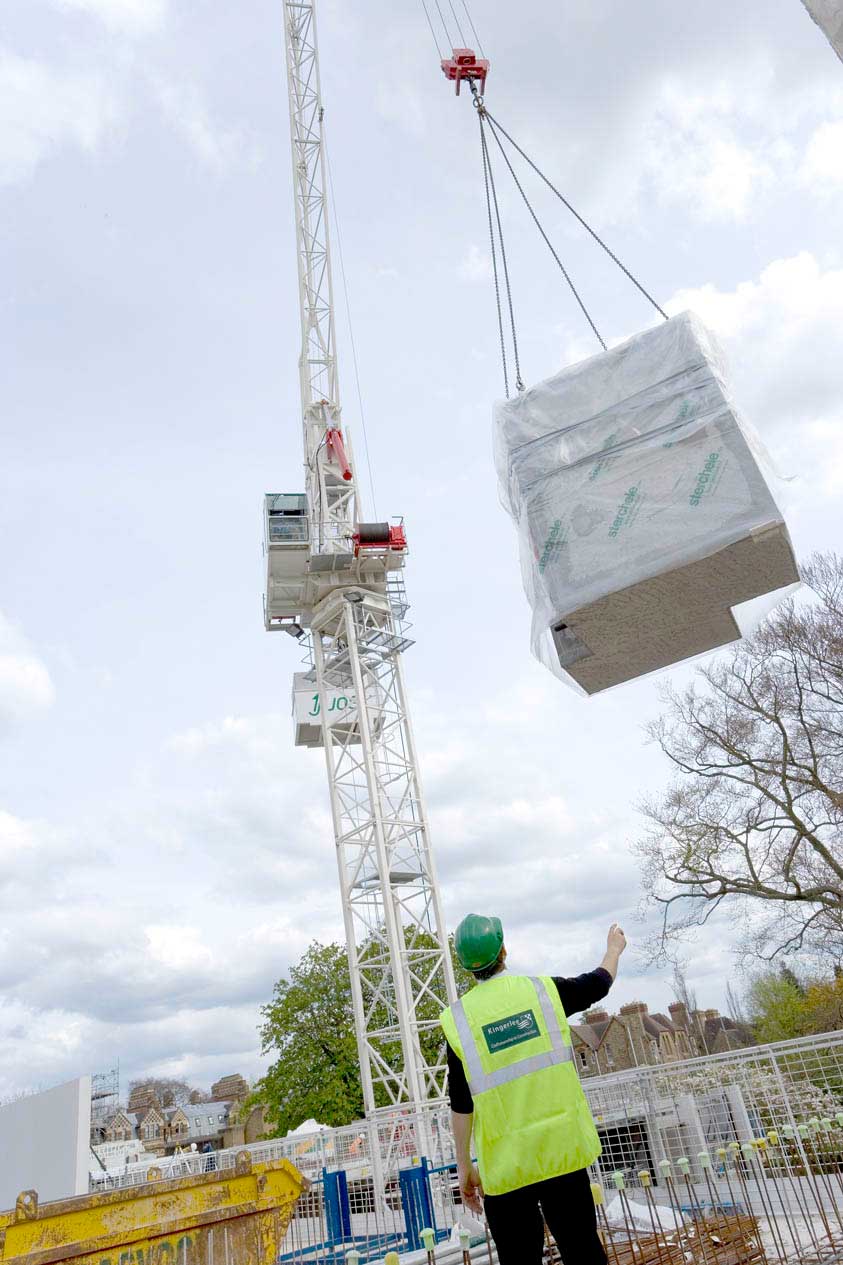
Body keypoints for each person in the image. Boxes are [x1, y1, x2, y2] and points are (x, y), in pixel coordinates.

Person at [440, 914, 627, 1265]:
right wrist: (614, 948)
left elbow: (461, 1104)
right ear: (504, 950)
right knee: (583, 1251)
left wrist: (464, 1166)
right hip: (561, 1154)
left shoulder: (459, 1021)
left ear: (466, 966)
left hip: (506, 1169)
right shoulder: (543, 993)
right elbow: (598, 983)